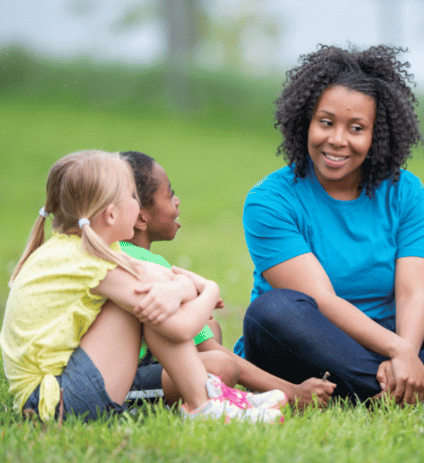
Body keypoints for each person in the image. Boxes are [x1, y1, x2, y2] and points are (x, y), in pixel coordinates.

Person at [235, 45, 424, 404]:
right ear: (305, 121)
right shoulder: (270, 200)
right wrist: (397, 352)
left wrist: (406, 354)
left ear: (377, 134)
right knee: (272, 311)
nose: (337, 140)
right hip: (297, 349)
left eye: (356, 128)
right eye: (326, 122)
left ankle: (379, 390)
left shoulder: (405, 191)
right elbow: (320, 299)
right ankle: (414, 395)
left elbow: (413, 292)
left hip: (384, 342)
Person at [0, 150, 283, 423]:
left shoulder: (77, 250)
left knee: (153, 297)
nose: (137, 207)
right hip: (57, 403)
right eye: (133, 197)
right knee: (150, 305)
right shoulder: (91, 260)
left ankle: (209, 400)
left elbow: (159, 277)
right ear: (111, 215)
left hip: (51, 396)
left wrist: (178, 288)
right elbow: (181, 327)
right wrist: (209, 290)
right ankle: (203, 405)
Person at [119, 150, 334, 409]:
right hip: (122, 381)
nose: (177, 201)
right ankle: (226, 401)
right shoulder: (147, 267)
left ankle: (210, 394)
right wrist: (291, 391)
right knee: (222, 366)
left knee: (210, 325)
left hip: (141, 364)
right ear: (140, 217)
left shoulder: (118, 253)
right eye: (169, 194)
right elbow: (213, 350)